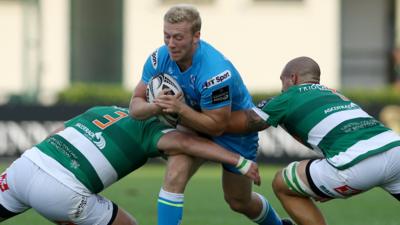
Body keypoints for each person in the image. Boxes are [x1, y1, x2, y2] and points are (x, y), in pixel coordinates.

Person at [129, 4, 290, 225]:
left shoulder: (215, 72)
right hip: (193, 123)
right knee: (175, 173)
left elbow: (217, 127)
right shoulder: (159, 58)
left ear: (196, 36)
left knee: (238, 201)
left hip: (234, 131)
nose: (171, 44)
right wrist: (156, 106)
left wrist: (180, 110)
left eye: (178, 37)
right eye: (166, 36)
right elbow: (135, 107)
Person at [0, 106, 261, 225]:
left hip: (24, 167)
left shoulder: (102, 109)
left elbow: (56, 132)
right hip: (63, 190)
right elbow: (190, 145)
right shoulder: (152, 131)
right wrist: (237, 160)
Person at [226, 56, 400, 225]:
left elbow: (247, 123)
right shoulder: (334, 94)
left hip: (355, 164)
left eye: (282, 81)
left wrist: (209, 117)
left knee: (282, 182)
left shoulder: (289, 96)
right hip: (395, 150)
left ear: (292, 78)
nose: (282, 88)